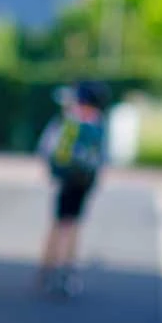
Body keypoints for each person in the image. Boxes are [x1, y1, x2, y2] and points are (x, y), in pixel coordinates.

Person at [36, 79, 110, 297]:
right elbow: (103, 155)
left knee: (59, 223)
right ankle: (68, 269)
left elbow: (46, 146)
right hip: (85, 179)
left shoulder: (69, 118)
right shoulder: (98, 121)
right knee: (74, 224)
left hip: (66, 177)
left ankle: (48, 269)